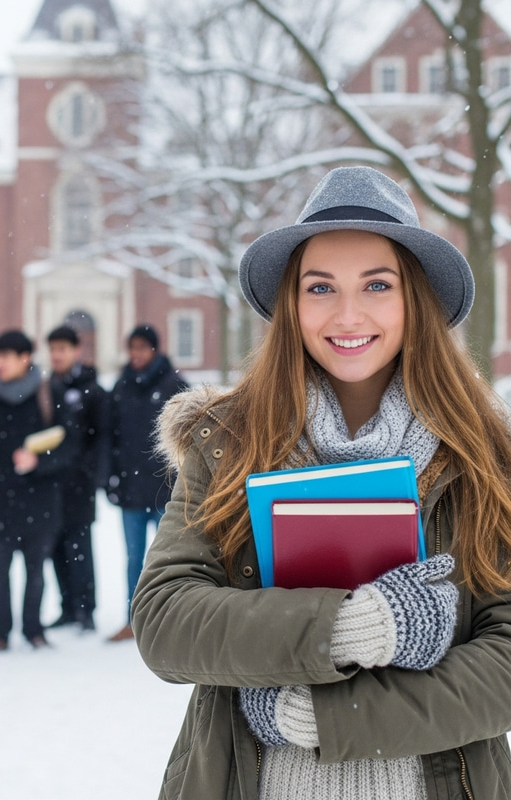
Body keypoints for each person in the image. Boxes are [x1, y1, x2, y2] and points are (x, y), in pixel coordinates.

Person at [131, 166, 511, 799]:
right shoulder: (227, 440)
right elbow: (166, 619)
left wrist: (334, 718)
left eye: (377, 284)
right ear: (292, 304)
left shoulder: (484, 455)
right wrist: (341, 627)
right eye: (320, 287)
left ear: (414, 300)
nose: (348, 313)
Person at [0, 330, 77, 653]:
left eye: (4, 357)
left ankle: (33, 630)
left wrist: (39, 461)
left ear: (25, 358)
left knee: (36, 572)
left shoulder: (51, 394)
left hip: (41, 501)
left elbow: (70, 445)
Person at [106, 324, 188, 642]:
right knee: (133, 558)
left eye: (142, 348)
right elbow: (110, 436)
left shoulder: (174, 385)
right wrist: (110, 476)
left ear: (154, 349)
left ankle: (169, 620)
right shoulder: (121, 386)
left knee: (169, 558)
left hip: (165, 488)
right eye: (132, 348)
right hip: (130, 488)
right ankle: (134, 619)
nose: (136, 355)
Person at [45, 325, 108, 633]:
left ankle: (86, 609)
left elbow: (102, 437)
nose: (57, 355)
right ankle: (67, 606)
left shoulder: (91, 390)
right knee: (55, 546)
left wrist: (92, 473)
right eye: (53, 350)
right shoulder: (46, 389)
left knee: (79, 546)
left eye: (63, 349)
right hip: (51, 482)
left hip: (79, 484)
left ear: (75, 351)